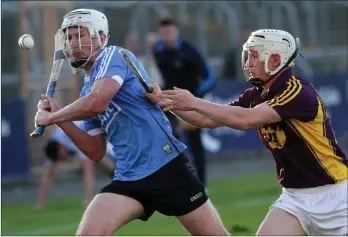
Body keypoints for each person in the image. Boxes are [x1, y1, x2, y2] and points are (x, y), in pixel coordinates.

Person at [34, 8, 228, 236]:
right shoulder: (86, 90)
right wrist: (60, 120)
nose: (74, 43)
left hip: (166, 167)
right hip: (128, 178)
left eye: (81, 35)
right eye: (69, 37)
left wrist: (53, 116)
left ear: (102, 38)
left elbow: (97, 103)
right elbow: (96, 151)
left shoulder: (114, 57)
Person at [144, 29, 348, 236]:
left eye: (255, 56)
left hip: (335, 197)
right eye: (248, 55)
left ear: (276, 60)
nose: (248, 62)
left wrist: (194, 101)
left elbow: (245, 120)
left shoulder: (297, 92)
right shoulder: (255, 95)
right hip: (295, 198)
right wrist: (167, 103)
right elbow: (207, 120)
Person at [152, 17, 217, 186]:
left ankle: (202, 183)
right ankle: (178, 182)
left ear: (177, 32)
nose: (167, 35)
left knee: (195, 143)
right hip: (168, 103)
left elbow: (210, 77)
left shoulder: (189, 51)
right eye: (164, 32)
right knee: (169, 142)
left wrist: (195, 99)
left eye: (170, 31)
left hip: (190, 103)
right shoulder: (157, 51)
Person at [36, 121, 95, 209]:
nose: (62, 160)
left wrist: (88, 199)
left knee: (95, 163)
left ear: (61, 149)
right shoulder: (54, 144)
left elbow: (88, 171)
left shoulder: (76, 138)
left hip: (97, 130)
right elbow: (48, 175)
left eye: (61, 157)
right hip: (89, 134)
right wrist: (41, 203)